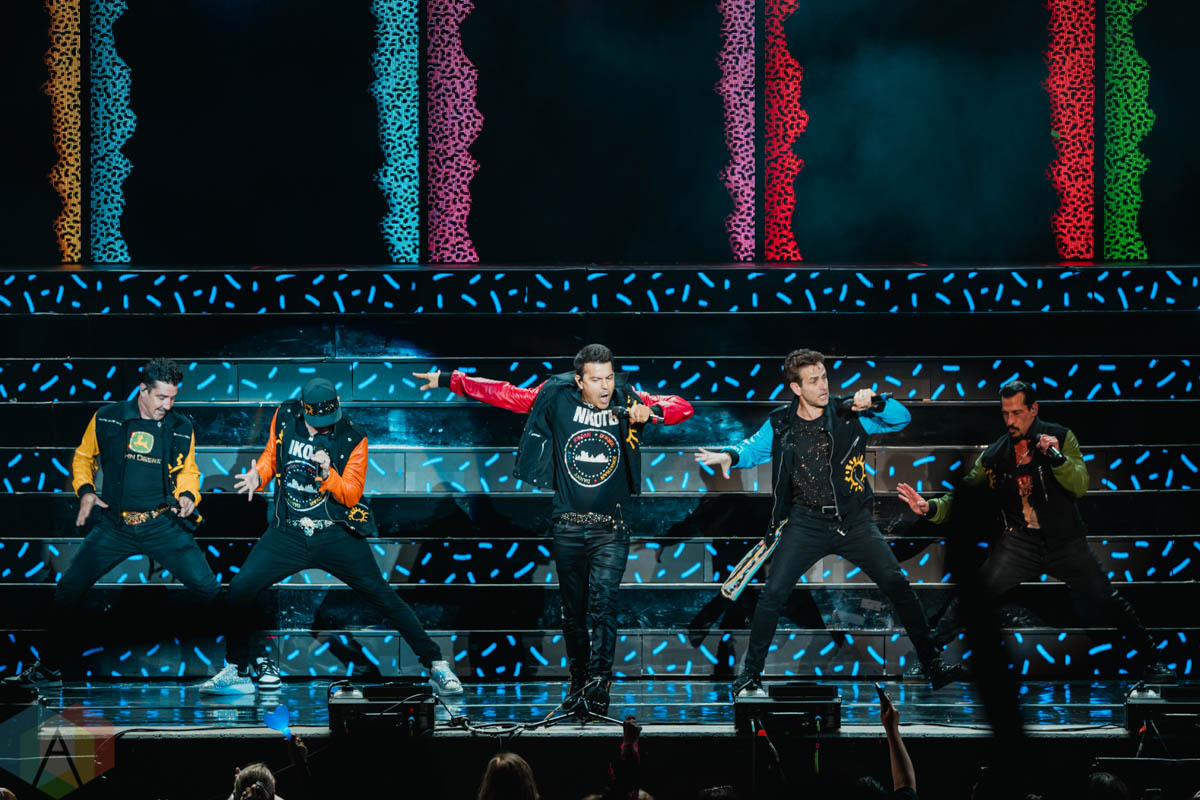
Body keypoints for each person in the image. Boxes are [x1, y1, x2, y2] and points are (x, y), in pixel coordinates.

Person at [414, 344, 693, 714]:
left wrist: (653, 412)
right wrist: (452, 380)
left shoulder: (628, 398)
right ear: (579, 380)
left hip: (611, 528)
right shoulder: (556, 397)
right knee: (573, 613)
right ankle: (578, 680)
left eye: (609, 377)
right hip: (568, 527)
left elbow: (682, 406)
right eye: (596, 379)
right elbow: (505, 393)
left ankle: (599, 682)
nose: (605, 386)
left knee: (604, 607)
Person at [695, 349, 964, 696]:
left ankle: (932, 664)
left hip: (852, 521)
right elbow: (752, 450)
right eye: (813, 381)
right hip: (805, 522)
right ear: (796, 388)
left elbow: (901, 419)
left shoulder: (849, 412)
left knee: (897, 584)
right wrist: (728, 455)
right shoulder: (781, 422)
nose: (823, 385)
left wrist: (878, 401)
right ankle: (750, 676)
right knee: (773, 594)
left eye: (823, 377)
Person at [199, 378, 462, 695]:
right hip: (288, 533)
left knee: (382, 595)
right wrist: (259, 475)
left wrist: (328, 475)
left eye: (329, 419)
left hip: (334, 533)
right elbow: (272, 455)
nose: (324, 426)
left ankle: (435, 663)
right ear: (304, 408)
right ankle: (238, 670)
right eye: (317, 420)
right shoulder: (285, 415)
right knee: (241, 587)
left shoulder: (353, 436)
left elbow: (351, 495)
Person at [897, 381, 1173, 680]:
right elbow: (964, 494)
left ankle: (1153, 660)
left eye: (1017, 413)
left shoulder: (1061, 438)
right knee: (971, 599)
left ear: (1033, 409)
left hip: (1065, 541)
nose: (1010, 420)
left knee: (1107, 598)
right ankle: (928, 660)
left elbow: (1079, 485)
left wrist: (1056, 458)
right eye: (1005, 413)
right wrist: (930, 507)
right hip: (1019, 543)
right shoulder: (996, 454)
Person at [5, 358, 219, 688]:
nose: (168, 405)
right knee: (69, 589)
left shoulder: (181, 425)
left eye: (173, 398)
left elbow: (189, 469)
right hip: (115, 526)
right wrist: (86, 490)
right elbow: (83, 457)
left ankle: (241, 667)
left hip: (161, 524)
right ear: (143, 390)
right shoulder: (108, 417)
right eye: (161, 397)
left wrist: (189, 495)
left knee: (210, 590)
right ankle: (49, 669)